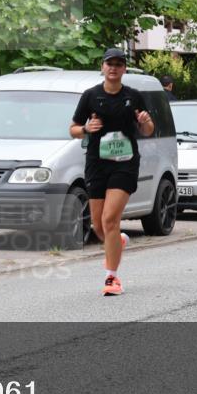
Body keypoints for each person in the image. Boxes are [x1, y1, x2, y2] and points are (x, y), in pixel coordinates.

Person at [70, 48, 155, 295]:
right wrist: (86, 128)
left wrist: (145, 122)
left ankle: (112, 278)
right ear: (103, 67)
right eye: (110, 64)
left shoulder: (134, 96)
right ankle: (116, 242)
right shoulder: (90, 96)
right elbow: (73, 129)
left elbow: (149, 129)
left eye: (119, 64)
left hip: (125, 162)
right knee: (98, 225)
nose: (114, 68)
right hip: (97, 162)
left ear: (124, 69)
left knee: (110, 219)